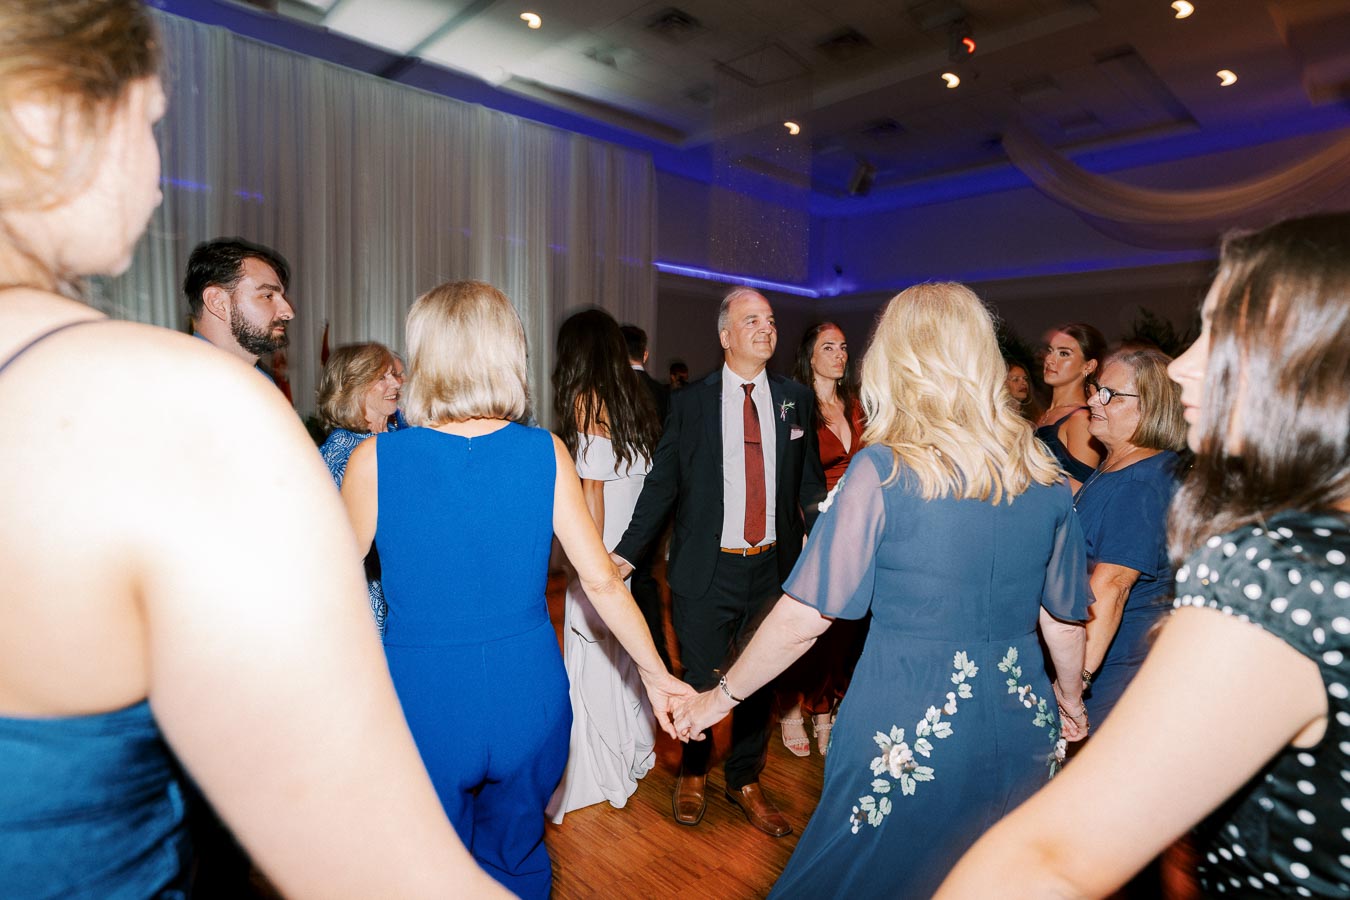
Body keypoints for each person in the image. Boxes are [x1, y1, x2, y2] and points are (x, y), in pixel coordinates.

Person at [0, 2, 505, 897]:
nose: (157, 179)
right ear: (46, 119)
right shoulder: (177, 402)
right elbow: (380, 866)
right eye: (148, 125)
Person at [937, 213, 1350, 899]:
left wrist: (1067, 693)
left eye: (1220, 332)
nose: (1186, 364)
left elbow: (1057, 858)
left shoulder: (1279, 570)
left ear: (1307, 361)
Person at [671, 282, 1091, 899]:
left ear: (898, 361)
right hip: (1021, 721)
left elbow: (807, 615)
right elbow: (1063, 622)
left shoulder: (884, 470)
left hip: (909, 725)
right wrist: (1072, 704)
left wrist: (716, 701)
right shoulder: (1044, 473)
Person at [340, 281, 691, 898]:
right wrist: (660, 677)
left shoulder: (376, 460)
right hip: (529, 694)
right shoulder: (545, 452)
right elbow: (604, 582)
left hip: (423, 701)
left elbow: (323, 596)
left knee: (425, 872)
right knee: (518, 861)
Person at [612, 287, 826, 837]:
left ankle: (745, 777)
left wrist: (821, 548)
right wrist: (627, 556)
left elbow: (807, 487)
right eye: (751, 319)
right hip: (705, 569)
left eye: (771, 320)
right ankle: (694, 767)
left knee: (757, 678)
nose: (765, 327)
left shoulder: (795, 399)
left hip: (773, 571)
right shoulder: (690, 402)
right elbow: (661, 486)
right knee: (700, 675)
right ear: (725, 336)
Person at [547, 309, 664, 822]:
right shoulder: (634, 402)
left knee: (594, 659)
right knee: (621, 656)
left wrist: (586, 562)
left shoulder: (584, 401)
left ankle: (600, 765)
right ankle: (631, 745)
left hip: (602, 551)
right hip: (631, 553)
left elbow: (591, 488)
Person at [1074, 348, 1187, 725]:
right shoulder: (1121, 468)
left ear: (1151, 407)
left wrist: (1076, 684)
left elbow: (1113, 585)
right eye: (1095, 389)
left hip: (1116, 675)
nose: (1093, 399)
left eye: (1110, 394)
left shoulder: (1140, 483)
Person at [778, 322, 868, 757]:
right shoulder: (795, 404)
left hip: (859, 525)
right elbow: (789, 475)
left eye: (843, 346)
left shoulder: (857, 405)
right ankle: (792, 707)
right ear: (810, 356)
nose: (839, 354)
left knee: (845, 626)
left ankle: (824, 708)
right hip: (812, 525)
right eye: (828, 346)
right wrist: (797, 531)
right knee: (810, 621)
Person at [317, 342, 402, 634]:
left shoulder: (400, 438)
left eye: (394, 374)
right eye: (382, 377)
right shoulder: (339, 452)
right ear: (354, 387)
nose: (395, 383)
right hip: (363, 596)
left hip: (405, 590)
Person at [619, 322, 673, 667]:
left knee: (627, 573)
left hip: (618, 494)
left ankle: (638, 657)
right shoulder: (667, 394)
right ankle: (658, 659)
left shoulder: (610, 393)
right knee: (646, 576)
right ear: (646, 353)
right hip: (661, 497)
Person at [184, 236, 294, 378]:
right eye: (268, 296)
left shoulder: (261, 381)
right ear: (217, 302)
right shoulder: (178, 384)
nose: (289, 312)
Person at [1036, 323, 1106, 490]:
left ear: (1088, 366)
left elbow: (1079, 491)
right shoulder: (1044, 414)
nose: (1050, 360)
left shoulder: (1081, 419)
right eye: (1050, 351)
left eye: (1064, 354)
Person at [1005, 359, 1043, 423]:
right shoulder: (997, 416)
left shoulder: (1036, 416)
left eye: (1025, 379)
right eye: (1016, 379)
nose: (1024, 383)